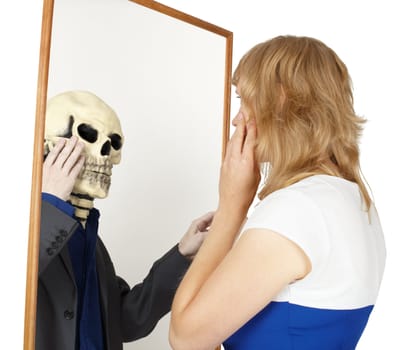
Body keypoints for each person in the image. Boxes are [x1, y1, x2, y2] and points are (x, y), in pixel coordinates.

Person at [169, 35, 386, 350]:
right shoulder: (356, 202)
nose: (236, 119)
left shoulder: (298, 208)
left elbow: (186, 338)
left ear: (281, 99)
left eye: (244, 99)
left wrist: (231, 207)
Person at [37, 91, 210, 350]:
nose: (107, 153)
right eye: (88, 136)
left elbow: (125, 321)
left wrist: (182, 255)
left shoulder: (90, 242)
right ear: (49, 148)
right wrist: (49, 204)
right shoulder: (20, 228)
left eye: (114, 143)